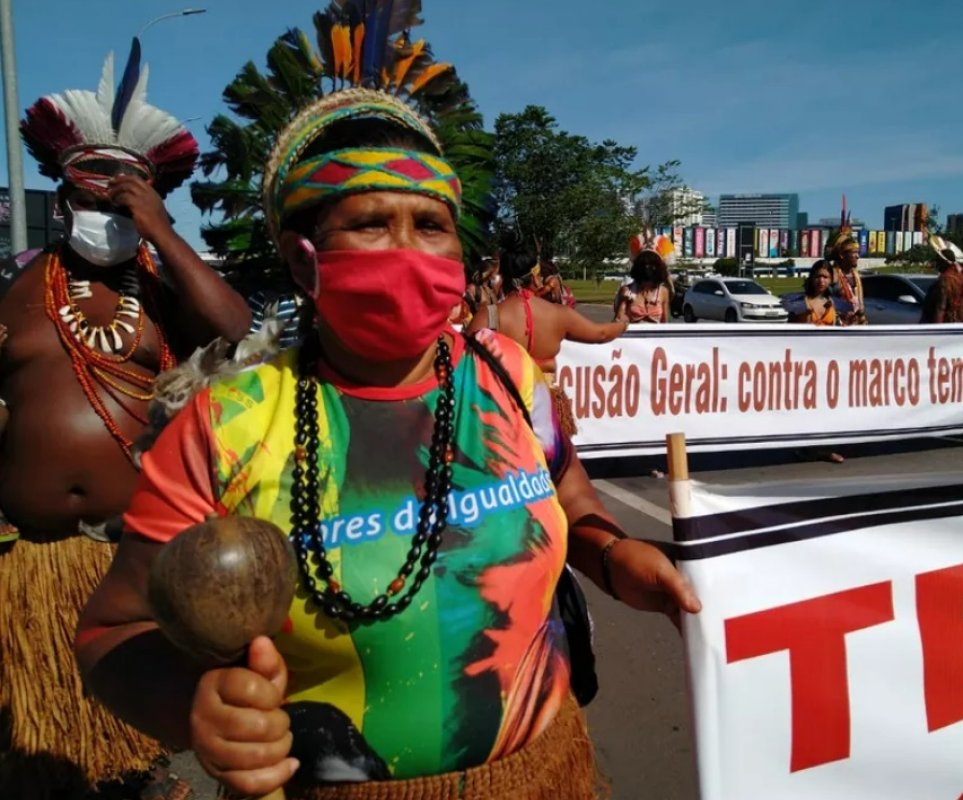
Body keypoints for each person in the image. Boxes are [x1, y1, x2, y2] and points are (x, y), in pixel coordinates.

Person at [76, 11, 699, 800]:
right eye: (372, 222)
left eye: (431, 224)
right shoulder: (225, 426)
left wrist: (618, 559)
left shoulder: (509, 374)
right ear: (305, 262)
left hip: (542, 777)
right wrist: (192, 706)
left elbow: (571, 500)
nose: (410, 249)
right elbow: (112, 631)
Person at [0, 43, 250, 799]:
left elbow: (233, 328)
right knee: (36, 761)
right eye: (94, 199)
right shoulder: (17, 294)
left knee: (133, 761)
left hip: (126, 563)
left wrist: (162, 233)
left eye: (125, 204)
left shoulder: (161, 291)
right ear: (61, 193)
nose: (106, 214)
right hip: (28, 566)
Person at [466, 249, 627, 436]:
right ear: (535, 277)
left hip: (503, 413)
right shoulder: (558, 314)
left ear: (504, 277)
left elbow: (464, 360)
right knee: (552, 462)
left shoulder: (490, 316)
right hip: (545, 416)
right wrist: (623, 324)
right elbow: (601, 333)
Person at [919, 236, 963, 324]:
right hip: (958, 322)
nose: (936, 262)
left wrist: (936, 330)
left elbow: (940, 307)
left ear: (943, 262)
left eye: (938, 260)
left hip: (946, 324)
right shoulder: (959, 276)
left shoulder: (945, 281)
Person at [615, 250, 671, 324]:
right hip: (634, 333)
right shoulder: (627, 290)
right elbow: (618, 320)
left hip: (655, 334)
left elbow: (665, 322)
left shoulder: (663, 292)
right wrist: (623, 301)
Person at [825, 226, 866, 325]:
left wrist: (862, 318)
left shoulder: (856, 276)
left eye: (858, 253)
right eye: (854, 253)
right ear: (842, 255)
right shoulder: (832, 276)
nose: (858, 256)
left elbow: (860, 305)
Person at [786, 261, 839, 325]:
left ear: (831, 280)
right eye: (818, 276)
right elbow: (789, 328)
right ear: (811, 278)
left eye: (825, 277)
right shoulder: (801, 302)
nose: (821, 280)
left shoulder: (831, 302)